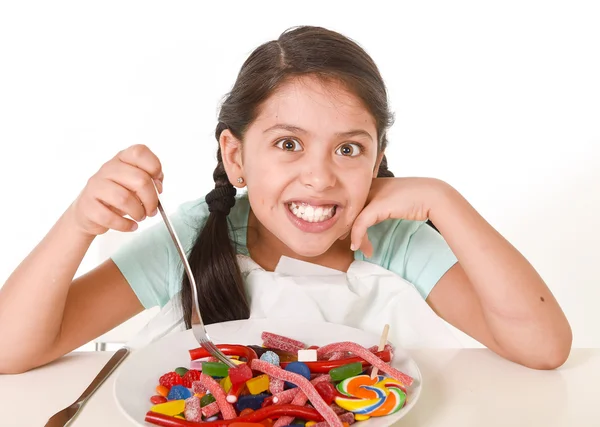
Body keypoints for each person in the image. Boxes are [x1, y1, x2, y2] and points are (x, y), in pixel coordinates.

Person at [0, 26, 572, 374]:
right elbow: (11, 351)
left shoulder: (392, 240)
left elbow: (543, 348)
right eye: (289, 144)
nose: (319, 177)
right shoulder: (200, 234)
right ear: (236, 157)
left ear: (377, 160)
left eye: (349, 148)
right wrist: (77, 225)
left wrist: (447, 202)